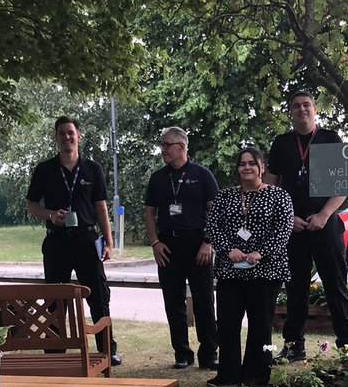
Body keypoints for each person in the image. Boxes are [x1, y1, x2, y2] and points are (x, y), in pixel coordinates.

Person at [25, 116, 122, 365]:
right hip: (57, 241)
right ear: (56, 138)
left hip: (86, 240)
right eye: (61, 133)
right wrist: (49, 215)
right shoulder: (45, 170)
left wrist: (108, 243)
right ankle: (56, 352)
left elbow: (101, 207)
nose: (66, 137)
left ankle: (107, 350)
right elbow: (31, 205)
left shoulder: (93, 169)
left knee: (99, 295)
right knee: (56, 298)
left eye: (70, 133)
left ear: (79, 136)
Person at [264, 88, 348, 360]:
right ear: (290, 112)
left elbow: (344, 183)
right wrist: (287, 218)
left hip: (326, 224)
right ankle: (293, 346)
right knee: (295, 288)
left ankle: (347, 346)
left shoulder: (330, 139)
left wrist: (324, 214)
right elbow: (269, 185)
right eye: (296, 106)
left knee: (335, 285)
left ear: (315, 109)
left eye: (306, 105)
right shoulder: (281, 143)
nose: (301, 109)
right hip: (293, 227)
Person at [205, 147, 293, 387]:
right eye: (242, 163)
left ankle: (257, 374)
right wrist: (227, 250)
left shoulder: (279, 196)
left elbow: (283, 230)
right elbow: (213, 226)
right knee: (227, 323)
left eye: (252, 163)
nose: (246, 167)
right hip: (230, 270)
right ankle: (228, 374)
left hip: (266, 271)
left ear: (262, 167)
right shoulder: (224, 196)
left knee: (261, 325)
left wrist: (260, 253)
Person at [143, 127, 220, 370]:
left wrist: (208, 242)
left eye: (167, 145)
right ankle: (182, 354)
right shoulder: (157, 178)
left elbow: (216, 212)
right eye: (162, 145)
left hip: (198, 244)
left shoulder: (203, 175)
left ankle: (209, 354)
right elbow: (149, 213)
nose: (163, 149)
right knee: (172, 301)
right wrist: (155, 242)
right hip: (168, 246)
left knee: (204, 300)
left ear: (182, 147)